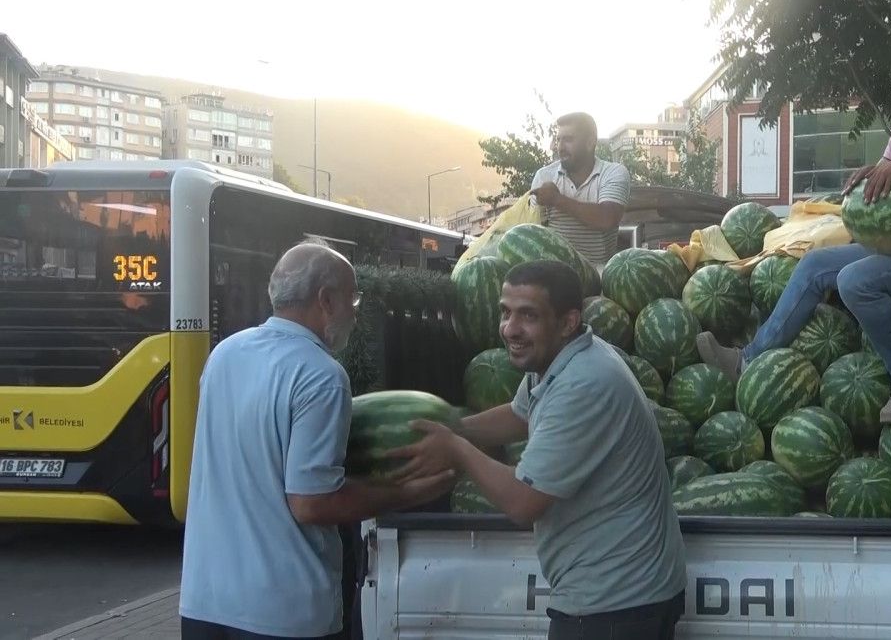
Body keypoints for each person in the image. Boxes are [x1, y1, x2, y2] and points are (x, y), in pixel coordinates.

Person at [697, 22, 891, 424]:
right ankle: (748, 360)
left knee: (855, 280)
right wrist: (865, 184)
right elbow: (885, 183)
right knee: (814, 265)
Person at [394, 260, 687, 639]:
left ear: (567, 322)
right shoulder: (561, 358)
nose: (510, 329)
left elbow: (523, 503)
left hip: (616, 603)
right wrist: (454, 427)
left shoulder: (584, 383)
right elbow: (521, 415)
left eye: (527, 315)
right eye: (505, 312)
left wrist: (456, 449)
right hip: (621, 593)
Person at [179, 240, 455, 640]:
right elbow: (311, 502)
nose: (355, 315)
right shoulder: (320, 375)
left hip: (205, 604)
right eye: (353, 299)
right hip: (283, 613)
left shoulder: (224, 355)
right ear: (325, 300)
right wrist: (404, 493)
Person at [530, 112, 632, 267]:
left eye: (568, 140)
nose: (560, 147)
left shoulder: (613, 173)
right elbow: (534, 233)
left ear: (590, 142)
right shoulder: (544, 176)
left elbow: (607, 218)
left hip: (600, 274)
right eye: (558, 139)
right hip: (553, 273)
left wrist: (556, 199)